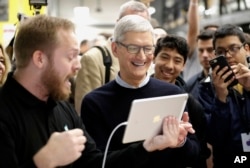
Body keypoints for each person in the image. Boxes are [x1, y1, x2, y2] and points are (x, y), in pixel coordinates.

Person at [0, 14, 197, 168]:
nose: (78, 66)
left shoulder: (62, 110)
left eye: (148, 48)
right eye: (71, 57)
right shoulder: (5, 113)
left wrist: (150, 145)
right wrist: (42, 163)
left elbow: (97, 164)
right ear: (40, 59)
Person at [81, 15, 200, 168]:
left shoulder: (173, 94)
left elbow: (194, 155)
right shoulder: (95, 102)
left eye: (148, 48)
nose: (142, 56)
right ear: (115, 49)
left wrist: (181, 141)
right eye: (133, 48)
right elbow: (96, 162)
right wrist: (145, 148)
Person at [74, 0, 150, 115]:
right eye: (130, 25)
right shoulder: (94, 59)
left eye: (143, 25)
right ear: (118, 24)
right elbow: (85, 112)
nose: (137, 31)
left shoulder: (148, 58)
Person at [152, 35, 210, 168]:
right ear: (154, 58)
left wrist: (182, 142)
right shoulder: (137, 95)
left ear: (183, 65)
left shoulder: (191, 105)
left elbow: (200, 153)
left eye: (177, 60)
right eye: (164, 57)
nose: (169, 66)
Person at [199, 24, 250, 167]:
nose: (227, 55)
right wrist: (221, 97)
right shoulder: (206, 88)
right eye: (221, 51)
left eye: (234, 48)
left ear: (246, 49)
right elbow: (215, 138)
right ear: (215, 55)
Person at [186, 29, 216, 99]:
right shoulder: (190, 84)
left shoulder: (232, 81)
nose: (205, 55)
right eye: (201, 50)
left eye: (210, 50)